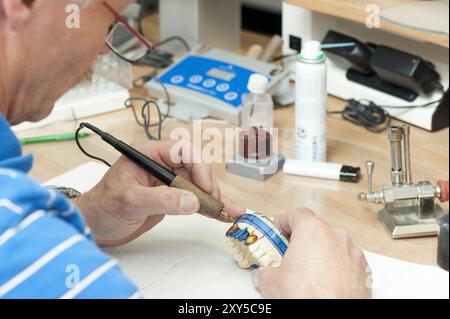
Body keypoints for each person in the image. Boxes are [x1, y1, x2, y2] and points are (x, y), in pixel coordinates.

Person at [0, 0, 371, 299]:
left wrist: (84, 215)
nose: (103, 47)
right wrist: (333, 294)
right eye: (112, 20)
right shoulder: (18, 235)